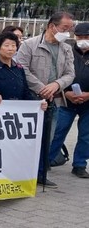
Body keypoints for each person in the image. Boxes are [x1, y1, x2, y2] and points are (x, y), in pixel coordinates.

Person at [17, 11, 76, 187]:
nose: (68, 32)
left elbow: (70, 73)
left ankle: (40, 173)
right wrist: (41, 88)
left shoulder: (66, 48)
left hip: (55, 100)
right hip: (32, 101)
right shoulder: (30, 44)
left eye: (70, 29)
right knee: (27, 139)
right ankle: (22, 173)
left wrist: (56, 85)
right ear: (52, 26)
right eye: (64, 28)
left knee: (47, 138)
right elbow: (22, 68)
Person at [48, 21, 89, 179]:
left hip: (88, 102)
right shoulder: (66, 51)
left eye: (86, 37)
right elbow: (57, 74)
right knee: (57, 132)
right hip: (66, 100)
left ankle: (80, 165)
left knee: (86, 136)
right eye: (80, 36)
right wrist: (66, 93)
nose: (83, 40)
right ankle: (47, 160)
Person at [0, 31, 35, 101]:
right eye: (6, 45)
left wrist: (37, 104)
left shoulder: (19, 68)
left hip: (16, 106)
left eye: (13, 45)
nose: (10, 49)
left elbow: (25, 92)